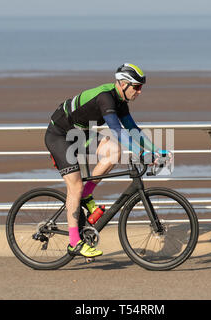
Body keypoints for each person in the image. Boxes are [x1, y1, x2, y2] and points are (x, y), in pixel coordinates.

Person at [45, 63, 170, 258]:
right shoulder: (106, 98)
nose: (139, 92)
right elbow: (117, 131)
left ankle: (87, 195)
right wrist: (140, 153)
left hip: (80, 135)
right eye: (136, 87)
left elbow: (132, 129)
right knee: (74, 187)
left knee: (114, 151)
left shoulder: (120, 101)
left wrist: (155, 150)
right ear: (122, 84)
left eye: (141, 87)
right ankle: (74, 243)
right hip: (59, 135)